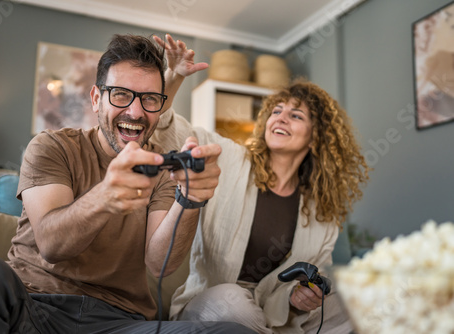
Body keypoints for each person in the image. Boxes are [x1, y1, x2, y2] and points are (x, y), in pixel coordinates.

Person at [0, 34, 256, 334]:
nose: (135, 113)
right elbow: (51, 245)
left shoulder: (162, 168)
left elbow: (159, 265)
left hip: (118, 322)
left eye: (149, 99)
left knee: (234, 331)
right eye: (121, 94)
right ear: (97, 98)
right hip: (33, 307)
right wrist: (105, 197)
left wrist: (189, 200)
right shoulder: (53, 146)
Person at [150, 34, 370, 334]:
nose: (281, 118)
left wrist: (300, 297)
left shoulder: (323, 212)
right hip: (214, 303)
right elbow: (163, 129)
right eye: (276, 111)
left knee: (351, 301)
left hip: (275, 313)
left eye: (295, 115)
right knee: (233, 301)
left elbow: (308, 279)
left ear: (316, 136)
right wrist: (173, 77)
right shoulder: (227, 157)